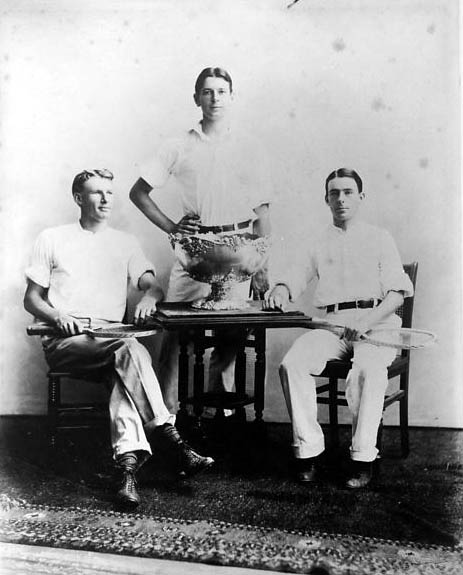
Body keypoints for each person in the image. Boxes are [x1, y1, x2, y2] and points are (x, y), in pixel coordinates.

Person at [24, 169, 214, 509]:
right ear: (79, 198)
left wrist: (149, 298)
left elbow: (150, 282)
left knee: (122, 371)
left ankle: (127, 472)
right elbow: (32, 298)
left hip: (111, 338)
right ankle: (171, 440)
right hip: (67, 339)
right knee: (129, 349)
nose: (106, 198)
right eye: (96, 192)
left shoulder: (124, 241)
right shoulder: (52, 237)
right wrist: (57, 315)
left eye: (110, 192)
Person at [129, 67, 272, 414]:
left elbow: (263, 211)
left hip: (238, 253)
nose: (215, 98)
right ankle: (167, 420)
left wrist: (262, 265)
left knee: (231, 337)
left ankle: (215, 416)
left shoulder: (249, 147)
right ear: (196, 98)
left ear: (232, 96)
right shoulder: (177, 145)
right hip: (194, 255)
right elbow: (139, 192)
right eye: (207, 92)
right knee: (175, 338)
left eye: (221, 91)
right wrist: (173, 229)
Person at [264, 168, 414, 489]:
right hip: (333, 326)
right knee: (293, 364)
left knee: (368, 370)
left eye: (348, 192)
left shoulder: (379, 237)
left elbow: (397, 293)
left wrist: (366, 321)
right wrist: (281, 289)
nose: (341, 199)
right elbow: (295, 276)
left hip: (377, 325)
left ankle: (363, 458)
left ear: (361, 197)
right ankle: (308, 452)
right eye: (335, 193)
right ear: (326, 199)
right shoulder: (317, 241)